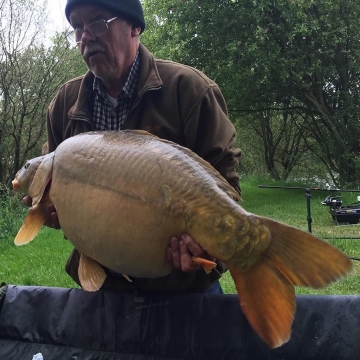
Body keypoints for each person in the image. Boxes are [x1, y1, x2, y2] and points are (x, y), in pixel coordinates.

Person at [37, 0, 241, 294]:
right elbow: (51, 188)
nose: (85, 37)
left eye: (97, 22)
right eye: (77, 27)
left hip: (183, 289)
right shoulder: (64, 104)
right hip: (103, 286)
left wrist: (207, 252)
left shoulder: (190, 90)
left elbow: (228, 191)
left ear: (135, 26)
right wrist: (53, 212)